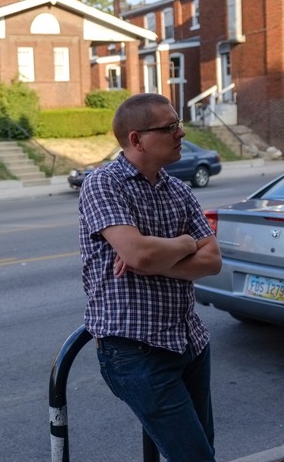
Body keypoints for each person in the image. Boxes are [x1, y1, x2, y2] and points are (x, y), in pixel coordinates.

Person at [78, 93, 222, 461]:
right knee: (195, 457)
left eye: (178, 124)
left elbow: (212, 260)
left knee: (201, 449)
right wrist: (185, 243)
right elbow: (138, 253)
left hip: (190, 342)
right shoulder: (103, 183)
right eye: (169, 127)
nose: (181, 132)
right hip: (135, 350)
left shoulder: (180, 190)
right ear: (136, 139)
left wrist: (154, 257)